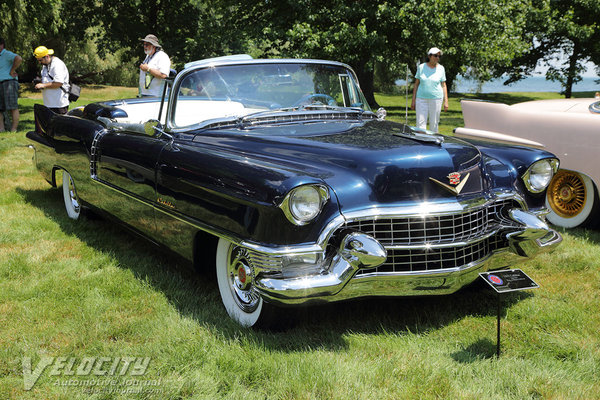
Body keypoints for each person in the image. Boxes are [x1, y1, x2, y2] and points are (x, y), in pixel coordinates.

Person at [411, 47, 449, 133]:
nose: (437, 58)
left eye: (439, 56)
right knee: (420, 124)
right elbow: (416, 84)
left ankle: (433, 143)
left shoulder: (441, 68)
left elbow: (443, 85)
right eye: (435, 56)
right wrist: (413, 100)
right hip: (421, 99)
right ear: (429, 56)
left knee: (434, 123)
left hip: (436, 99)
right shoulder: (421, 67)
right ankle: (421, 143)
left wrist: (446, 101)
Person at [33, 46, 70, 114]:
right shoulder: (45, 65)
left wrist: (43, 85)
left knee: (59, 124)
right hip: (49, 103)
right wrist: (40, 82)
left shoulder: (57, 64)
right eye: (38, 60)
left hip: (59, 104)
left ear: (47, 56)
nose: (39, 62)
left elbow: (59, 83)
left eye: (40, 60)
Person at [0, 37, 22, 132]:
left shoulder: (6, 53)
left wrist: (12, 70)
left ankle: (13, 129)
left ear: (1, 45)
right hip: (1, 83)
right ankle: (1, 129)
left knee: (13, 107)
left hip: (9, 82)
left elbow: (19, 59)